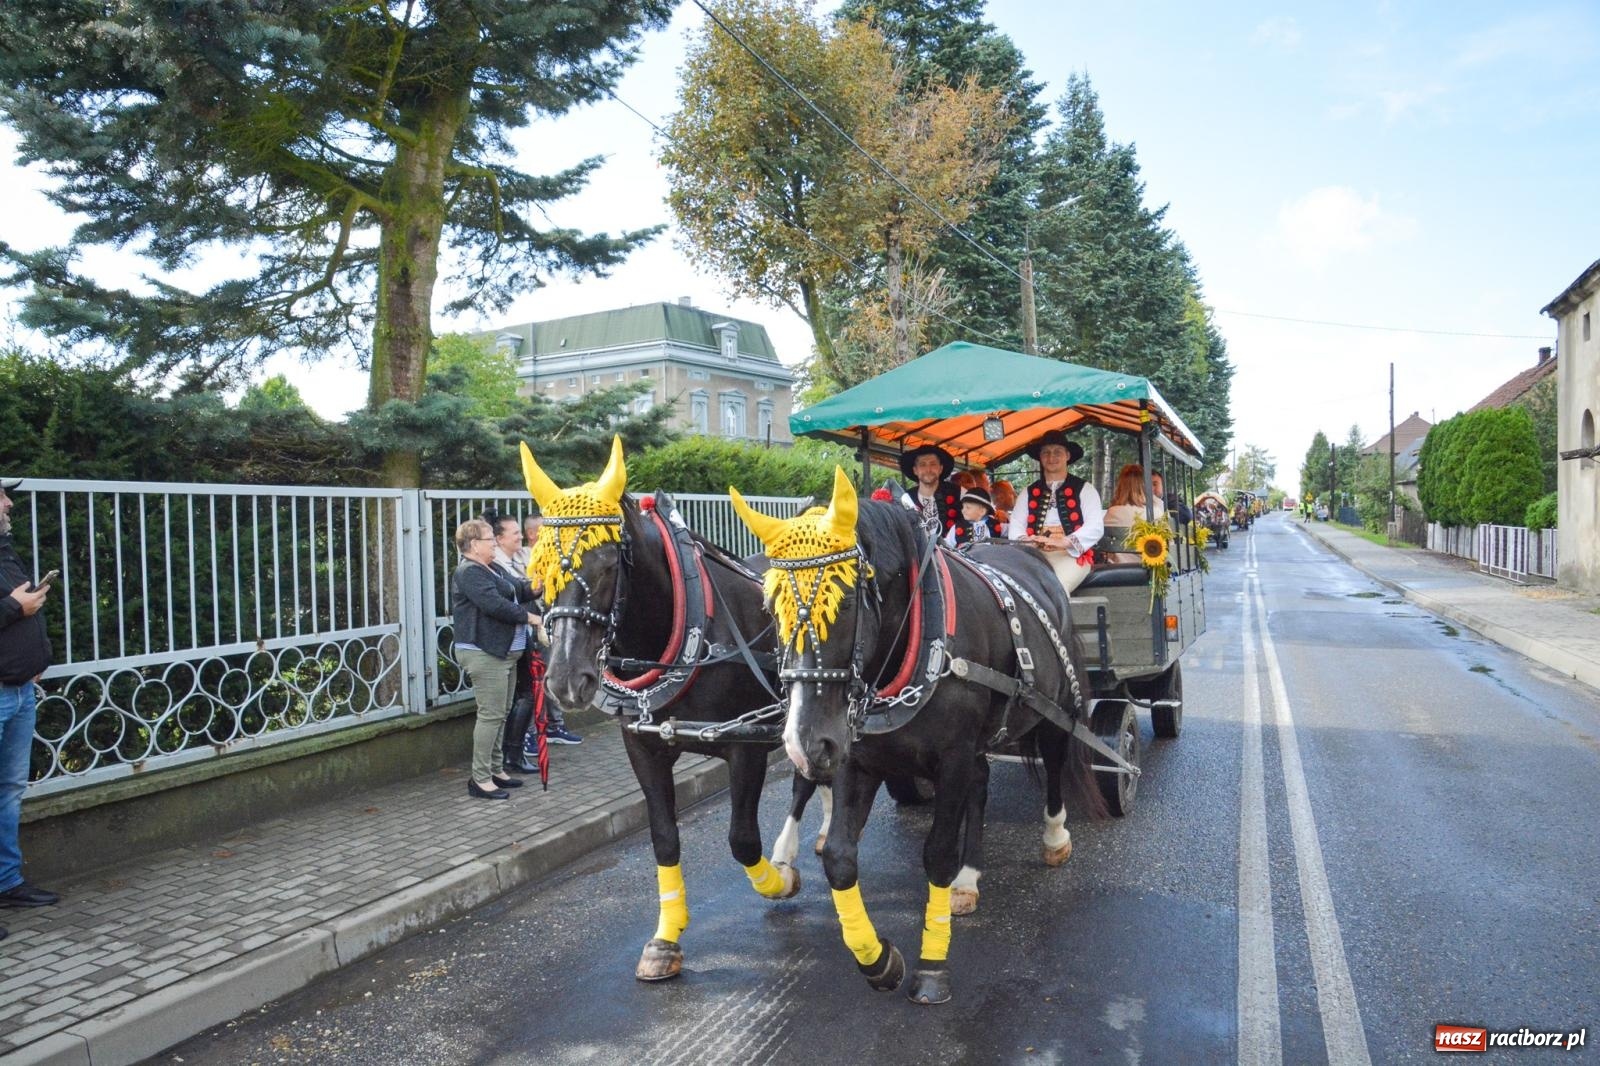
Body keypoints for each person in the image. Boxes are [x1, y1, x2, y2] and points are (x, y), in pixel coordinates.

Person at [0, 477, 61, 936]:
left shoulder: (4, 550)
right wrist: (13, 608)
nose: (7, 503)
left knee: (8, 791)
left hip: (19, 691)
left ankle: (7, 882)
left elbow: (21, 610)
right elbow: (11, 610)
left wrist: (36, 656)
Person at [451, 518, 540, 800]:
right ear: (474, 544)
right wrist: (532, 617)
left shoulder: (493, 567)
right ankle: (480, 779)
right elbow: (495, 605)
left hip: (504, 653)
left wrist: (542, 582)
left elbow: (520, 590)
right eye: (490, 539)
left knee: (501, 713)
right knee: (490, 715)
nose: (494, 543)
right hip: (483, 652)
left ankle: (497, 769)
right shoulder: (468, 572)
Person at [1009, 431, 1103, 595]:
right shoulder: (1028, 492)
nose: (1051, 457)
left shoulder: (1084, 489)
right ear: (1040, 457)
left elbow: (1095, 526)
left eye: (1057, 452)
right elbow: (1016, 525)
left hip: (1071, 556)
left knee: (1055, 589)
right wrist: (1027, 541)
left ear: (1067, 455)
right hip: (1035, 556)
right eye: (1046, 452)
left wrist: (1065, 542)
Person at [1102, 464, 1163, 563]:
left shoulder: (1113, 512)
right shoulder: (1157, 512)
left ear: (1121, 485)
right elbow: (1168, 547)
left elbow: (1103, 546)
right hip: (1150, 571)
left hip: (1116, 572)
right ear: (1145, 484)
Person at [898, 444, 962, 538]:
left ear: (940, 468)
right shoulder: (906, 498)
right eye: (922, 465)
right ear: (915, 470)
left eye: (933, 464)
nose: (928, 469)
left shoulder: (959, 493)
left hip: (954, 551)